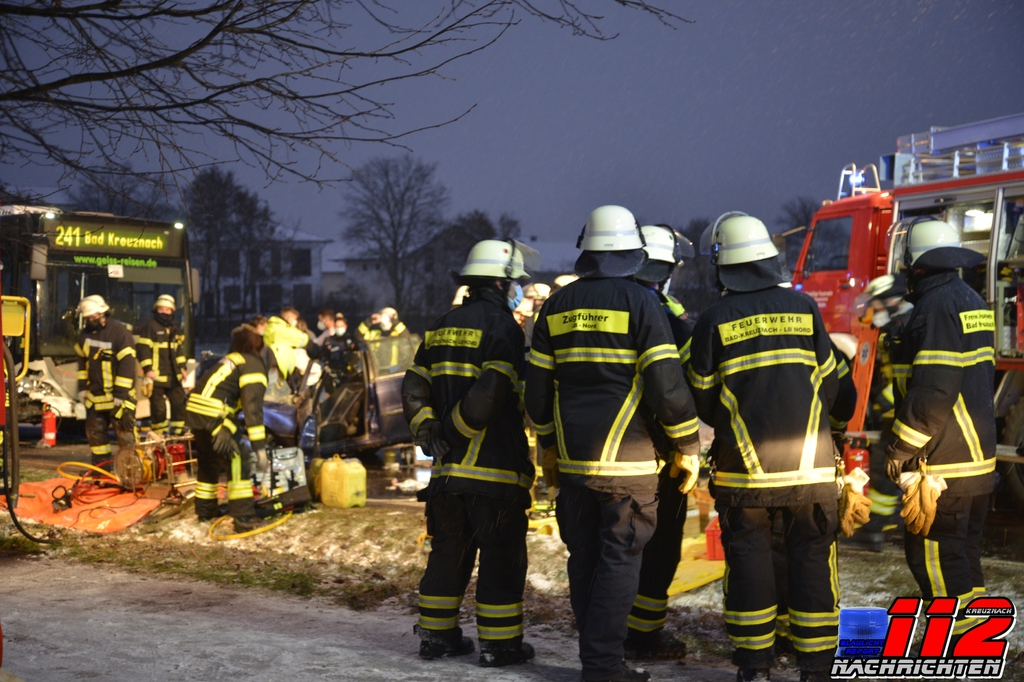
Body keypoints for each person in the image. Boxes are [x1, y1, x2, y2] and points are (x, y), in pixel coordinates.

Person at [526, 205, 700, 682]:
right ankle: (603, 667)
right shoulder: (641, 303)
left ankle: (597, 661)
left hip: (574, 464)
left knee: (584, 559)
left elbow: (537, 392)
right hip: (630, 464)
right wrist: (687, 443)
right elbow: (666, 386)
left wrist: (548, 444)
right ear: (632, 254)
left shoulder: (556, 306)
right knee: (619, 561)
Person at [688, 213, 839, 682]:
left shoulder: (713, 319)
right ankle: (816, 665)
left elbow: (701, 396)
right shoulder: (804, 308)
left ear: (723, 263)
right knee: (811, 559)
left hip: (745, 472)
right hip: (811, 468)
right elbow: (831, 382)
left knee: (750, 560)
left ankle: (755, 665)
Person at [402, 239, 537, 667]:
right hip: (494, 473)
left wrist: (428, 430)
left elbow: (413, 384)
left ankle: (436, 638)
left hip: (446, 477)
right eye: (515, 283)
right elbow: (491, 392)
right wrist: (454, 432)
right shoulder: (504, 328)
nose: (518, 290)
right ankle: (500, 646)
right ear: (500, 283)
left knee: (448, 554)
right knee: (501, 558)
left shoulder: (441, 325)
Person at [885, 217, 996, 641]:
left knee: (932, 557)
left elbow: (933, 390)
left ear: (915, 263)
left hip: (944, 464)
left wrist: (900, 449)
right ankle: (978, 639)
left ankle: (957, 645)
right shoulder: (970, 298)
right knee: (962, 555)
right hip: (976, 461)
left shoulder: (934, 308)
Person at [624, 223, 697, 660]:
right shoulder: (667, 318)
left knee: (611, 547)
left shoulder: (602, 305)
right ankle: (643, 635)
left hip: (599, 452)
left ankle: (606, 630)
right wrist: (687, 445)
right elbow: (680, 389)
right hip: (658, 455)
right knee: (660, 544)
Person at [844, 274, 913, 551]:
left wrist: (883, 402)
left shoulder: (906, 328)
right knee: (894, 471)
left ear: (892, 302)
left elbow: (911, 376)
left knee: (885, 471)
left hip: (901, 414)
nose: (873, 312)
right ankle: (888, 525)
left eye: (877, 305)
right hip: (898, 413)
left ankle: (875, 530)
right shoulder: (896, 327)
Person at [186, 324, 269, 532]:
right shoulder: (252, 364)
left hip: (195, 412)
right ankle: (243, 517)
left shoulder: (231, 359)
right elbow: (252, 410)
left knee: (209, 460)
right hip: (214, 414)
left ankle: (205, 510)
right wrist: (259, 449)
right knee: (239, 457)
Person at [75, 295, 137, 468]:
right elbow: (82, 362)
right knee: (96, 437)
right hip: (95, 398)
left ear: (103, 313)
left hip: (119, 399)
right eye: (87, 317)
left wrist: (120, 393)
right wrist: (82, 388)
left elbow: (127, 364)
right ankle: (101, 471)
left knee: (125, 438)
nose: (90, 320)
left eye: (93, 316)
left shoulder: (120, 333)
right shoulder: (85, 335)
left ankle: (131, 473)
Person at [136, 294, 188, 436]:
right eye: (161, 309)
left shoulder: (174, 328)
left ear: (172, 311)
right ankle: (159, 436)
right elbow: (143, 349)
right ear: (156, 310)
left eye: (167, 309)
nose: (164, 312)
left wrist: (183, 368)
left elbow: (179, 350)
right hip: (156, 377)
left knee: (179, 404)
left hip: (173, 376)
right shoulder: (150, 326)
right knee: (159, 409)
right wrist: (148, 369)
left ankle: (178, 435)